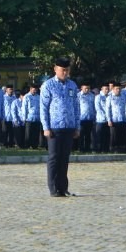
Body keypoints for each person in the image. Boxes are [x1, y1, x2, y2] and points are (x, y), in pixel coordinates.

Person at [40, 57, 80, 198]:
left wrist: (77, 126)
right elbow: (43, 108)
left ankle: (63, 187)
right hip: (54, 127)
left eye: (67, 70)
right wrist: (46, 127)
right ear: (55, 69)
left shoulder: (72, 85)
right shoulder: (48, 85)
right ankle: (53, 188)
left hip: (69, 126)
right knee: (54, 158)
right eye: (63, 70)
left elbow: (76, 107)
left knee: (64, 158)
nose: (65, 73)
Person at [77, 84, 95, 152]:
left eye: (88, 88)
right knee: (81, 134)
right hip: (81, 118)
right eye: (85, 88)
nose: (87, 90)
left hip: (90, 118)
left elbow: (93, 106)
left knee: (88, 135)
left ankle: (88, 148)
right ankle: (81, 148)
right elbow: (77, 107)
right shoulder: (78, 96)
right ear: (81, 88)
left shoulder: (92, 96)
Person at [94, 83, 111, 153]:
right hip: (100, 119)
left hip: (108, 120)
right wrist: (105, 116)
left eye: (108, 89)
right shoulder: (98, 97)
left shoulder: (109, 97)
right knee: (99, 135)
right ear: (102, 89)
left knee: (106, 135)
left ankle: (105, 149)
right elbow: (98, 108)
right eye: (105, 89)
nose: (107, 90)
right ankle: (98, 149)